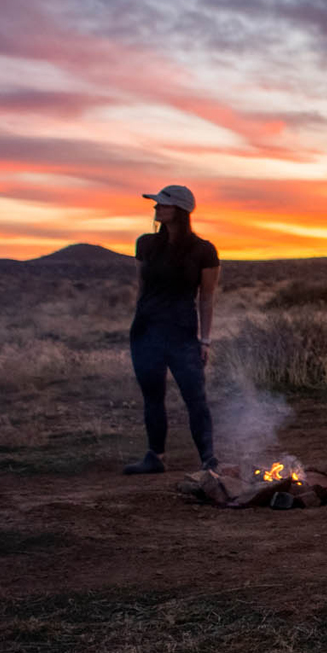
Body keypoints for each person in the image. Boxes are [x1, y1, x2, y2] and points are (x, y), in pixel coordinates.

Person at [123, 184, 222, 474]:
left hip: (183, 333)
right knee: (152, 395)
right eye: (156, 204)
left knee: (195, 397)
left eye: (162, 204)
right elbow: (142, 287)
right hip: (146, 330)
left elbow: (206, 297)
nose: (156, 208)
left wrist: (204, 340)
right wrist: (141, 322)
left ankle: (209, 459)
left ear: (179, 210)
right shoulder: (146, 244)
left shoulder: (203, 251)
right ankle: (155, 456)